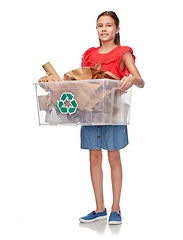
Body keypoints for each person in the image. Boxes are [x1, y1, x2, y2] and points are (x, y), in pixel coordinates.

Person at [79, 11, 144, 225]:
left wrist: (131, 79)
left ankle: (116, 209)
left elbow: (141, 81)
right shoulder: (89, 54)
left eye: (108, 25)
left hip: (114, 111)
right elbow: (82, 80)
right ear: (96, 29)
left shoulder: (123, 52)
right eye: (100, 25)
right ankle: (99, 209)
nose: (104, 29)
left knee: (113, 157)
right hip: (90, 111)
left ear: (117, 29)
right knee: (93, 158)